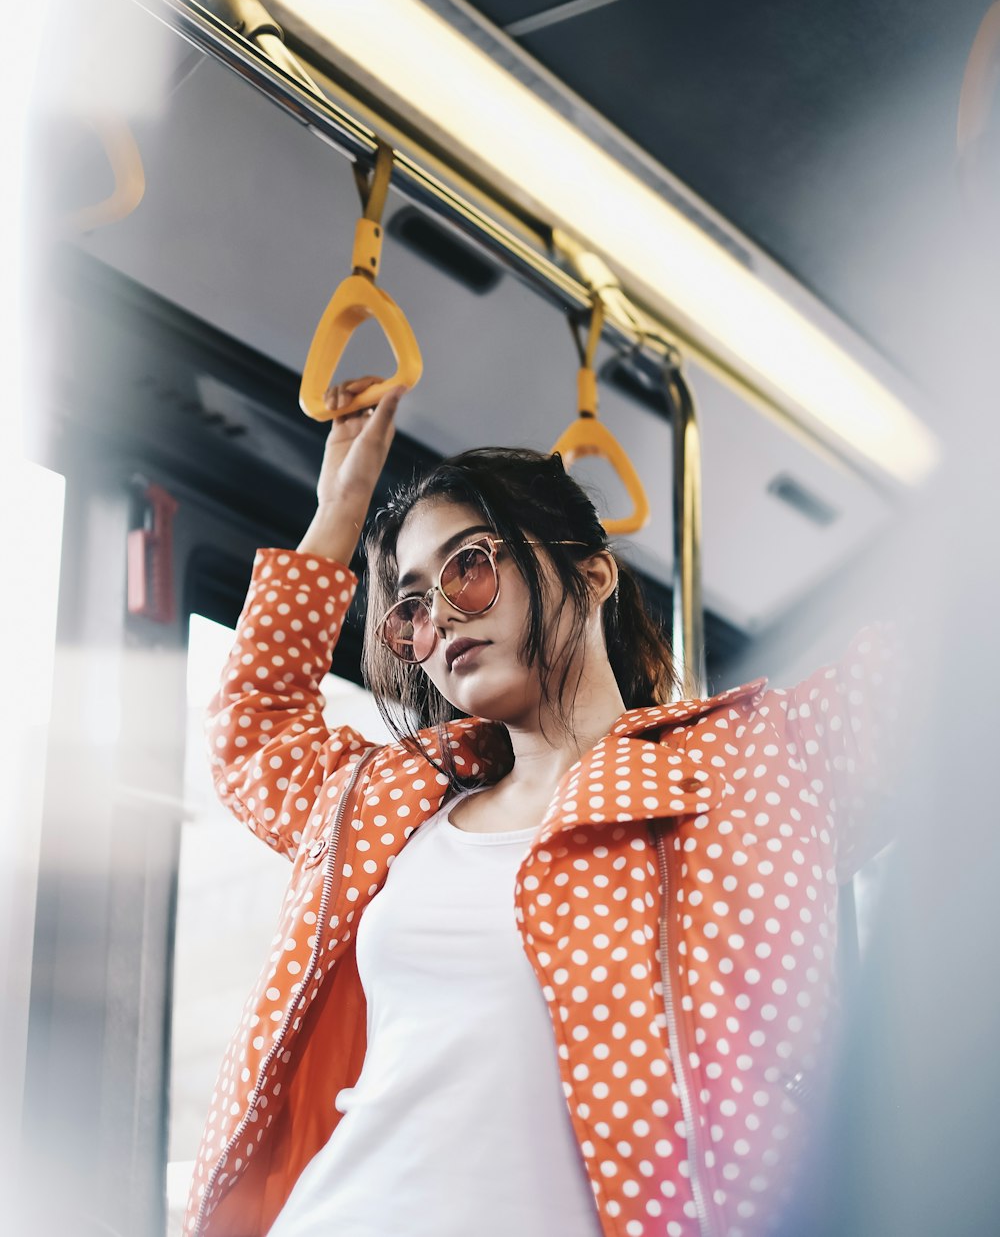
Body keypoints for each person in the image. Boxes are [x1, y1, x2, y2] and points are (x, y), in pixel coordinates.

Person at [183, 378, 894, 1237]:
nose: (439, 616)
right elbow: (254, 729)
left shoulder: (750, 768)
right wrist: (338, 509)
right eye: (411, 605)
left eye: (469, 567)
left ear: (592, 572)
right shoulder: (386, 807)